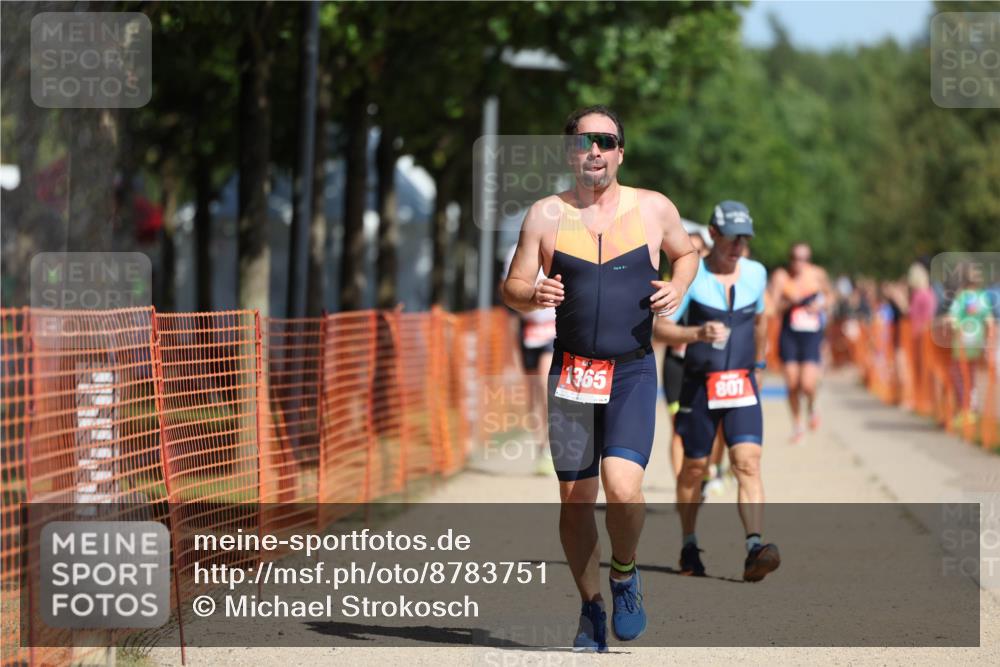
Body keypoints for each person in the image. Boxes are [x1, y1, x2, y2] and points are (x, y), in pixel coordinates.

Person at [502, 105, 697, 651]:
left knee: (623, 486)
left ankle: (625, 574)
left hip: (632, 370)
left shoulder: (654, 208)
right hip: (572, 375)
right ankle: (591, 607)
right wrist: (530, 293)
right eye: (585, 141)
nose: (595, 150)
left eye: (605, 141)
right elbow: (512, 286)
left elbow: (687, 255)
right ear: (570, 152)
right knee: (576, 498)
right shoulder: (544, 215)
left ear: (620, 152)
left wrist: (677, 286)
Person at [654, 200, 779, 582]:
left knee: (747, 462)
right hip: (698, 385)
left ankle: (754, 547)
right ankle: (689, 542)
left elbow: (761, 320)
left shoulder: (757, 273)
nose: (738, 245)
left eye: (744, 238)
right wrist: (697, 333)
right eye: (731, 237)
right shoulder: (692, 276)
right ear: (712, 234)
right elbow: (660, 329)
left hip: (741, 384)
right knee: (694, 468)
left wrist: (759, 363)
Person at [770, 242, 834, 443]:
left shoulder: (817, 274)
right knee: (791, 383)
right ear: (790, 259)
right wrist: (791, 301)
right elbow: (772, 307)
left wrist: (820, 305)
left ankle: (813, 406)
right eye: (796, 258)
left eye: (805, 259)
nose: (800, 263)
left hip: (811, 334)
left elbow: (831, 296)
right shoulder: (781, 277)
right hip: (789, 333)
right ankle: (797, 425)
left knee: (807, 383)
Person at [502, 244, 558, 475]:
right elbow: (507, 291)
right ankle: (541, 447)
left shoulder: (560, 247)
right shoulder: (514, 251)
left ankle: (552, 448)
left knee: (547, 388)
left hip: (553, 329)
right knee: (534, 393)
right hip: (528, 331)